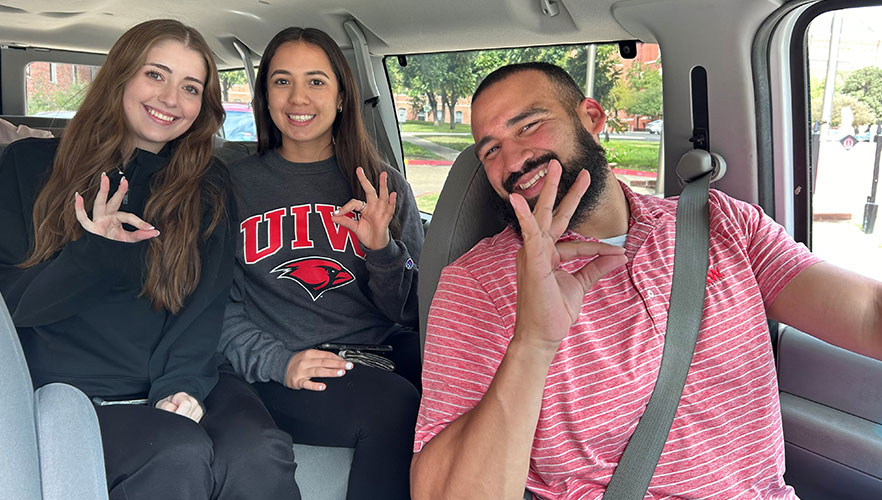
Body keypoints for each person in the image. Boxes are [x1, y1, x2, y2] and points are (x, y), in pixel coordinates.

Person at [410, 62, 882, 499]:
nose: (512, 161)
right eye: (491, 150)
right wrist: (532, 343)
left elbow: (867, 313)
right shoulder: (476, 285)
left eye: (529, 125)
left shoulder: (721, 222)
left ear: (591, 118)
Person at [0, 19, 299, 500]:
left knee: (260, 453)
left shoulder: (209, 184)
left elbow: (206, 305)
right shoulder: (27, 165)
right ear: (121, 76)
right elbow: (15, 309)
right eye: (155, 75)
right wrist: (93, 253)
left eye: (190, 87)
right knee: (176, 452)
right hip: (73, 392)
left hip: (184, 373)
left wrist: (182, 386)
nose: (170, 99)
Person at [219, 27, 423, 500]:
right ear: (265, 95)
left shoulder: (384, 185)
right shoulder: (230, 186)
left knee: (456, 377)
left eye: (315, 81)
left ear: (342, 96)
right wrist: (279, 362)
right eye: (282, 81)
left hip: (374, 350)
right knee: (392, 406)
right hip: (283, 363)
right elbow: (217, 307)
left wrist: (382, 251)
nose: (298, 98)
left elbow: (410, 311)